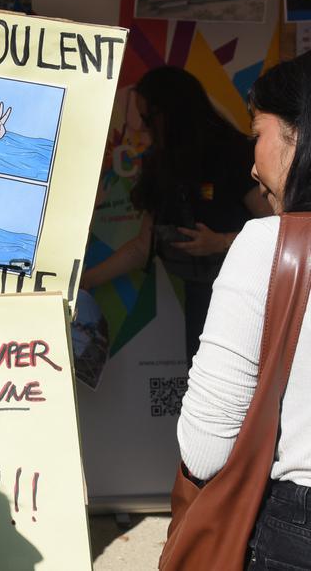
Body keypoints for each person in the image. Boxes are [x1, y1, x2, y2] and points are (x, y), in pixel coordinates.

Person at [178, 53, 311, 568]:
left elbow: (205, 449)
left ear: (298, 134)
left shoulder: (268, 244)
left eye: (258, 132)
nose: (253, 164)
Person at [81, 66, 272, 363]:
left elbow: (278, 229)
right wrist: (87, 280)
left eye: (147, 119)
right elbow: (142, 247)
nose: (142, 129)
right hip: (201, 298)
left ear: (170, 112)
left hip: (248, 299)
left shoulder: (234, 153)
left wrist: (221, 242)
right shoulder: (163, 162)